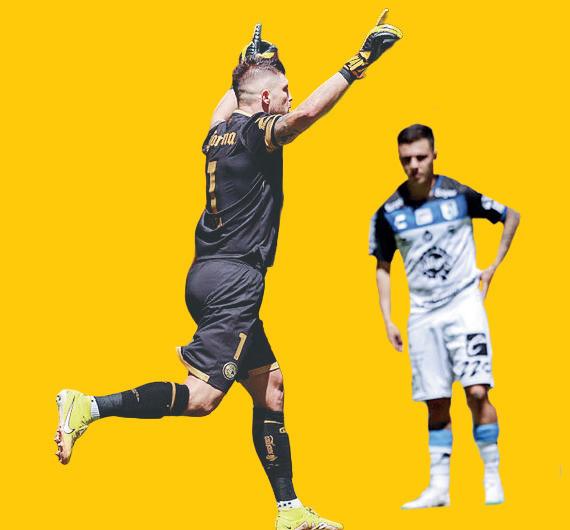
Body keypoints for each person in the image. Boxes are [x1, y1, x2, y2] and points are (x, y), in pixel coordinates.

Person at [55, 14, 401, 530]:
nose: (290, 95)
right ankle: (88, 406)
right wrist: (358, 63)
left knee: (270, 386)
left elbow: (232, 99)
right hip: (236, 281)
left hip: (205, 275)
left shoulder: (219, 132)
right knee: (201, 400)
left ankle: (289, 510)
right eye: (283, 89)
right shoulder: (260, 132)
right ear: (265, 99)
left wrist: (248, 60)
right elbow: (303, 116)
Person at [369, 124, 520, 509]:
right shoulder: (389, 212)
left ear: (434, 155)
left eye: (421, 157)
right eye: (406, 159)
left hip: (464, 306)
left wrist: (493, 267)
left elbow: (511, 215)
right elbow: (383, 265)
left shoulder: (458, 196)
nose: (414, 165)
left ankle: (491, 475)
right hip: (423, 315)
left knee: (477, 392)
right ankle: (438, 487)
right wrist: (387, 318)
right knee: (435, 401)